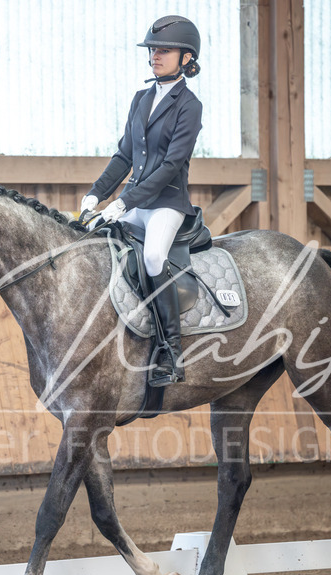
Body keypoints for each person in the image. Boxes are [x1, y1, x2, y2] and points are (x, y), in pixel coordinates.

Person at [81, 15, 203, 387]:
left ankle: (171, 351)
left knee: (152, 257)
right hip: (134, 200)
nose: (155, 56)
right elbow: (124, 156)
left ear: (185, 58)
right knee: (97, 248)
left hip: (166, 203)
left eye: (164, 50)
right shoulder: (141, 98)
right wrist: (96, 194)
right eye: (152, 50)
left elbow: (169, 166)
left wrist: (122, 203)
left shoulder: (190, 105)